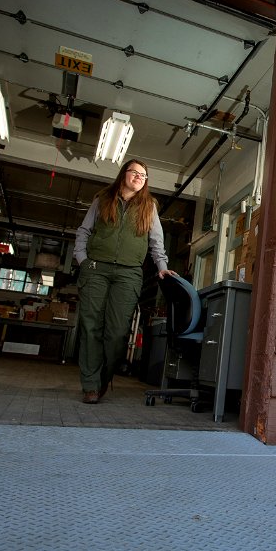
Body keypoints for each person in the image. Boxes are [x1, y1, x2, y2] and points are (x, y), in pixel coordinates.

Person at [73, 159, 176, 404]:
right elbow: (84, 231)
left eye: (144, 175)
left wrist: (162, 267)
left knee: (118, 332)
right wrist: (82, 259)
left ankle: (103, 379)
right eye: (135, 172)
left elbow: (156, 242)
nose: (140, 177)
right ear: (124, 174)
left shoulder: (149, 207)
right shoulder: (102, 200)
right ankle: (91, 385)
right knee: (91, 327)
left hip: (129, 273)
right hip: (96, 269)